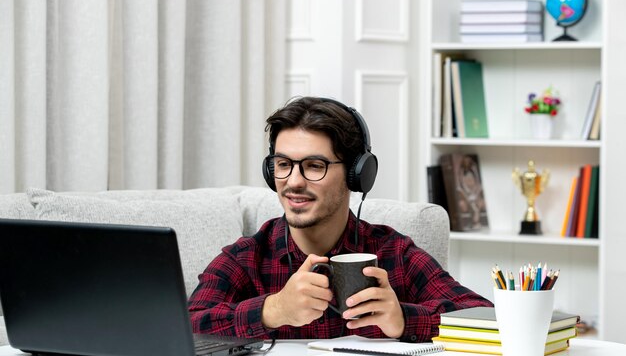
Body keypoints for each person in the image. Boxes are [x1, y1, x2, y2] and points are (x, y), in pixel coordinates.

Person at [188, 96, 492, 342]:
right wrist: (273, 309)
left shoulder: (393, 253)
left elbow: (484, 319)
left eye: (314, 165)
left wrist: (403, 319)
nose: (293, 181)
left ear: (356, 174)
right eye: (282, 164)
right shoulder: (247, 258)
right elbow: (186, 324)